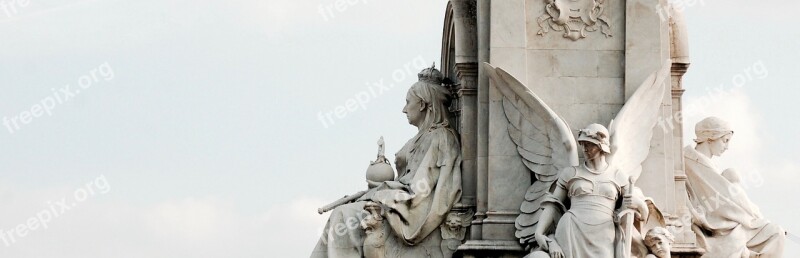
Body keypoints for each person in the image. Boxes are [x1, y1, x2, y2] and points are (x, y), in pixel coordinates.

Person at [311, 65, 462, 258]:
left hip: (411, 209)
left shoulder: (441, 137)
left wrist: (382, 192)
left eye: (408, 102)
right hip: (396, 202)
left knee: (343, 216)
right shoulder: (423, 137)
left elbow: (421, 191)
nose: (404, 109)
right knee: (343, 213)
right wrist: (378, 187)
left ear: (423, 104)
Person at [529, 123, 647, 258]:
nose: (584, 148)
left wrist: (639, 204)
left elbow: (641, 215)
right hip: (571, 228)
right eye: (583, 143)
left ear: (601, 146)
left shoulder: (617, 175)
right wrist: (539, 232)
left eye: (589, 144)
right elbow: (553, 204)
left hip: (604, 232)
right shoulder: (570, 173)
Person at [684, 117, 785, 258]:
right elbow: (726, 201)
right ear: (711, 137)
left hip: (726, 220)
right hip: (718, 224)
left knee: (775, 232)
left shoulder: (705, 163)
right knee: (776, 233)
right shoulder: (693, 161)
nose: (727, 147)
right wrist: (754, 218)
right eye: (725, 141)